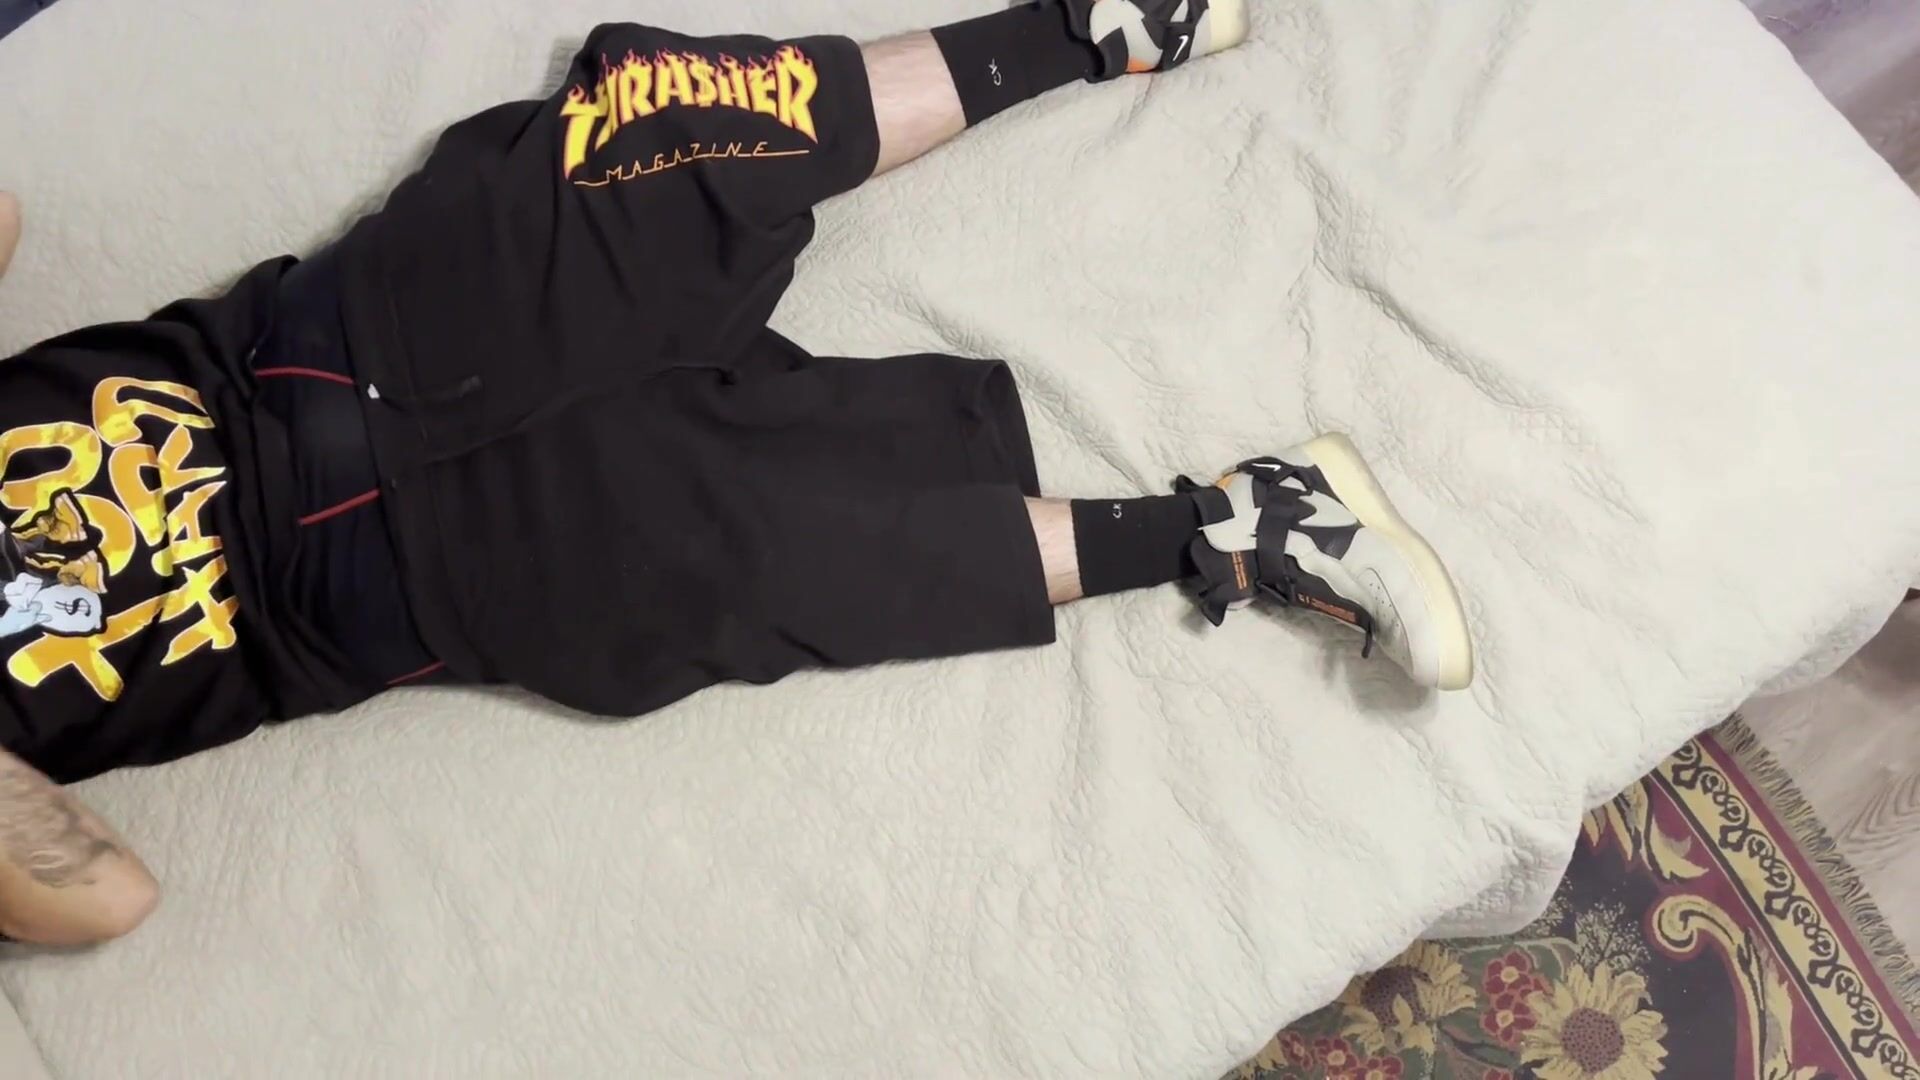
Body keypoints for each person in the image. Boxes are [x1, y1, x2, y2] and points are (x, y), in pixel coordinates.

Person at [0, 0, 1474, 946]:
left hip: (319, 350)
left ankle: (1085, 26)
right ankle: (1242, 523)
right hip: (386, 591)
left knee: (653, 153)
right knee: (762, 568)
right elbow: (109, 897)